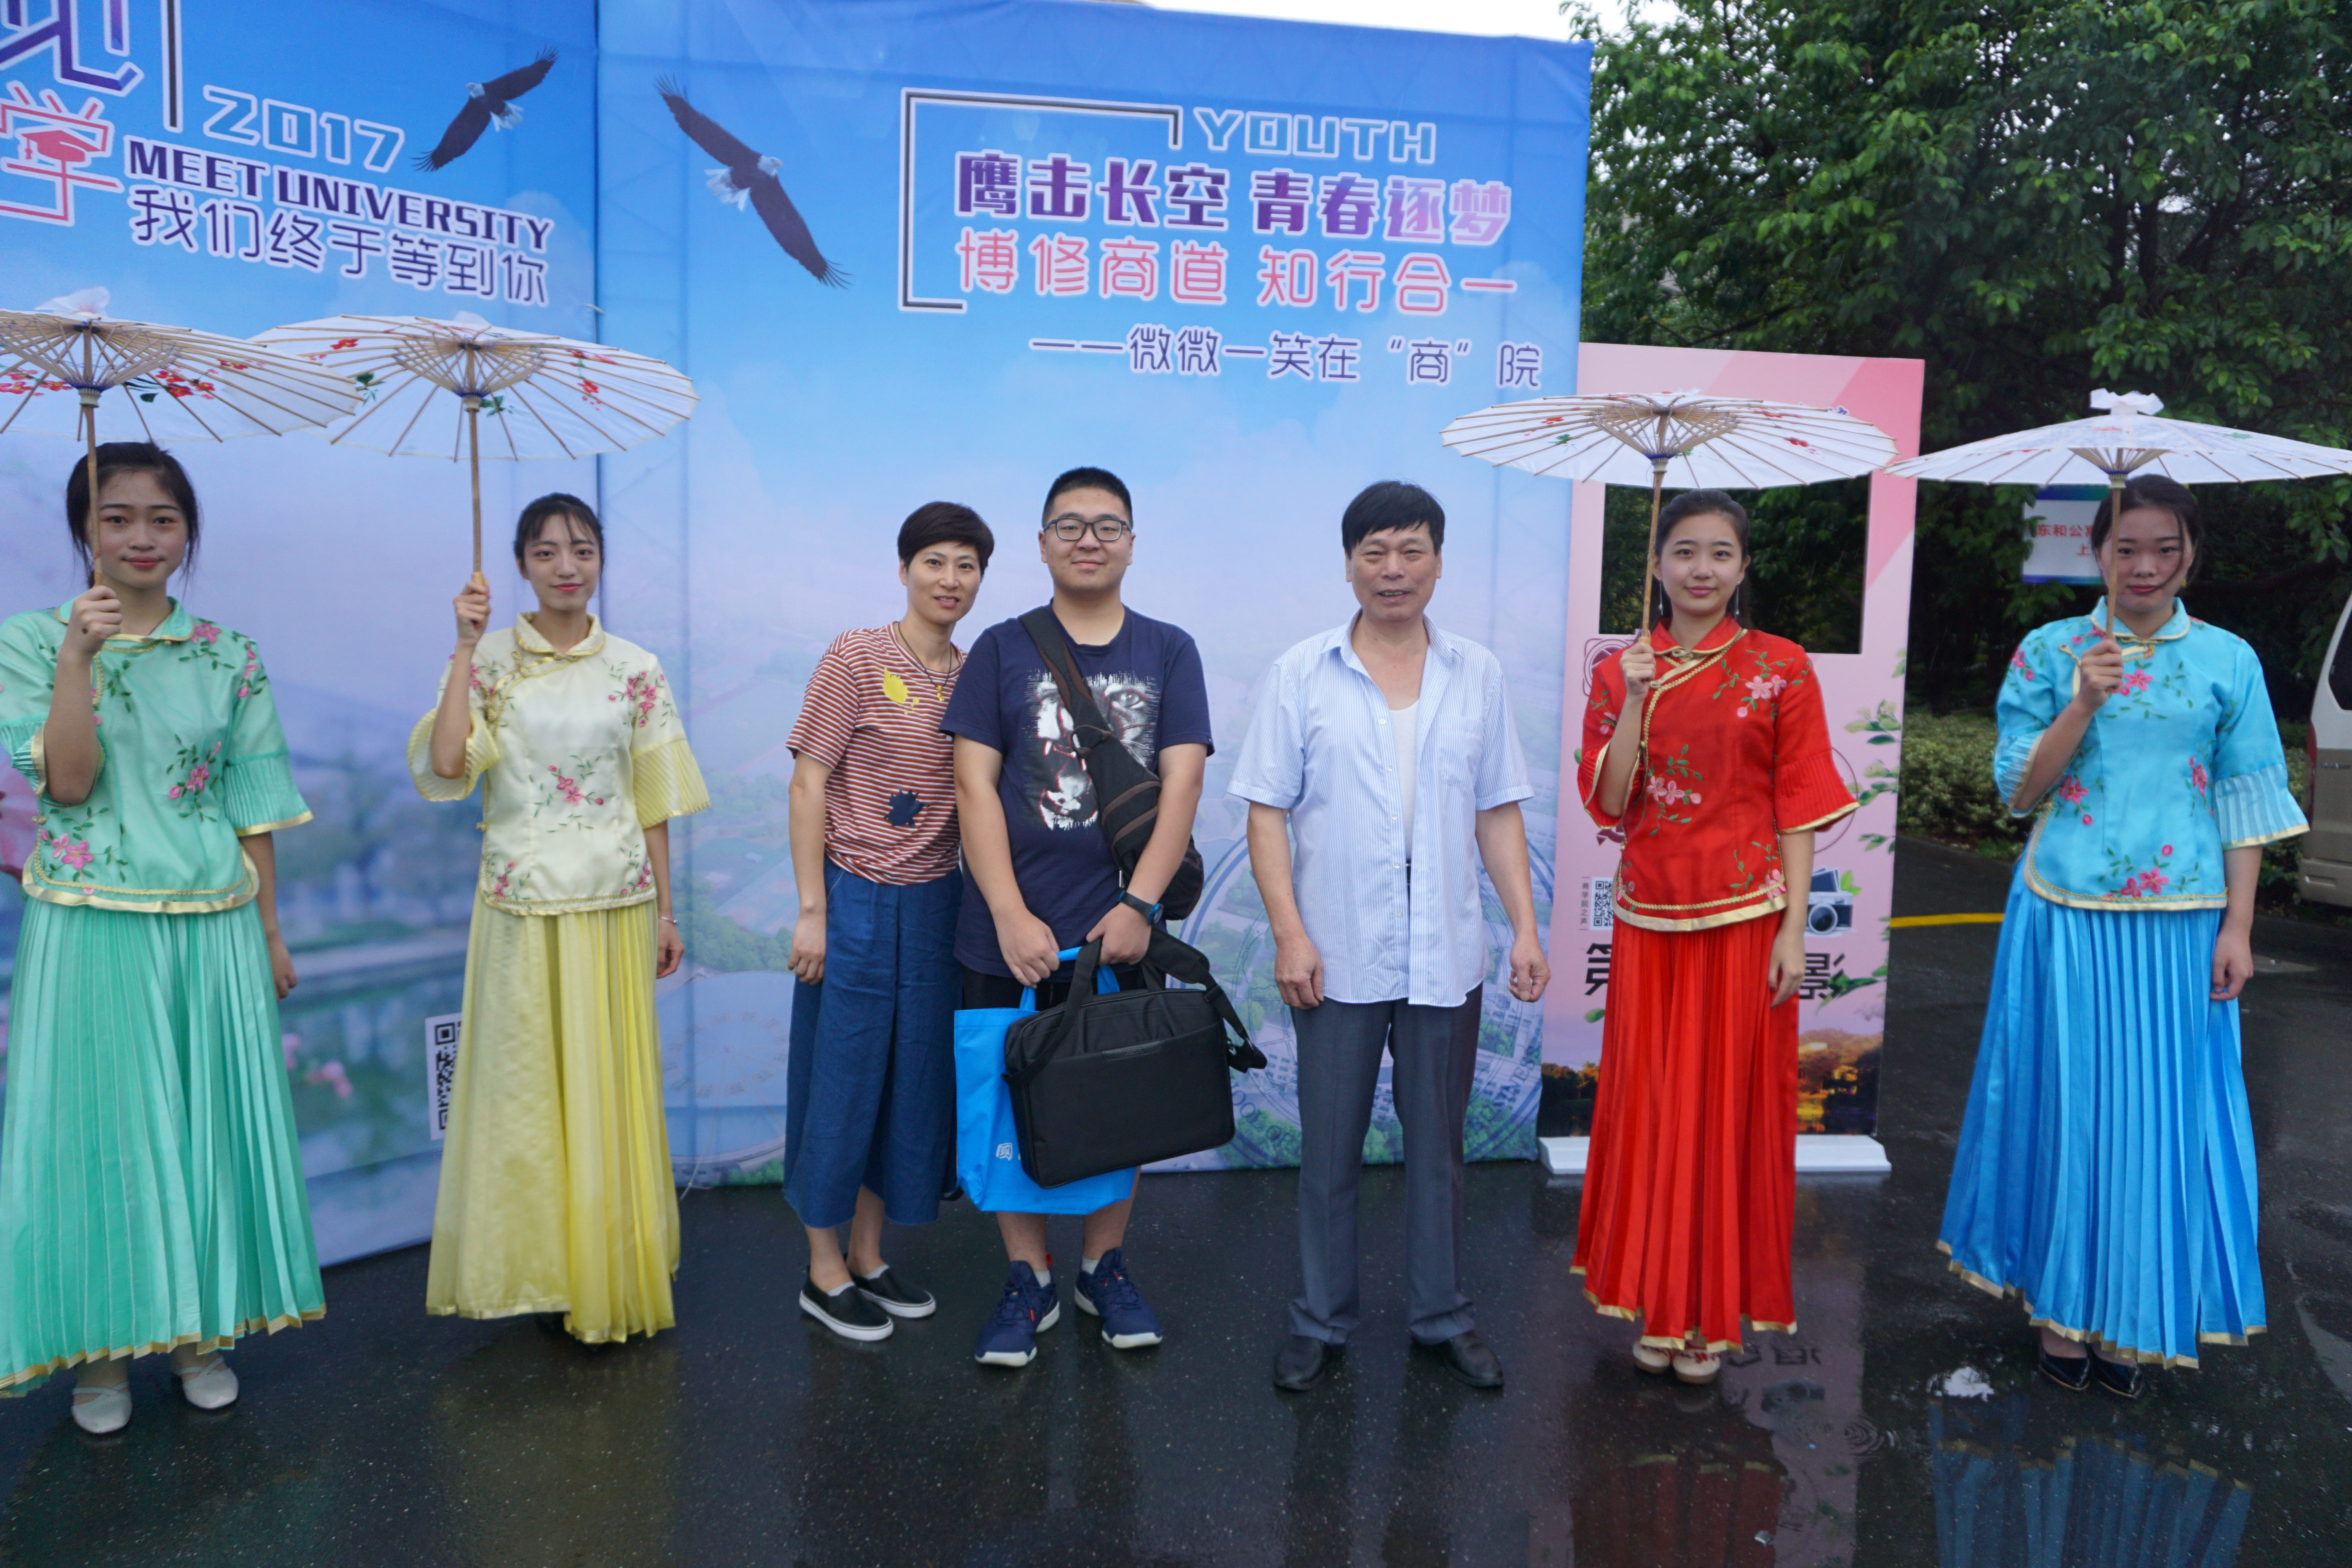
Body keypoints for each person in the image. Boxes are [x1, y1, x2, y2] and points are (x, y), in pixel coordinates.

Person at [1939, 476, 2302, 1396]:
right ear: (2096, 550)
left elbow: (2244, 801)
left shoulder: (2229, 659)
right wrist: (2081, 703)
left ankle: (2135, 1312)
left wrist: (2240, 926)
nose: (2145, 566)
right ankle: (2064, 1312)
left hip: (2184, 921)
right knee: (2072, 1107)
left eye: (2165, 549)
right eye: (2126, 547)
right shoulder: (2051, 650)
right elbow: (2018, 790)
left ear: (2191, 554)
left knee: (2161, 1119)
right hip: (2064, 910)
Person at [0, 443, 321, 1434]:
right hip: (88, 920)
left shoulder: (230, 653)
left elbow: (252, 803)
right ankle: (99, 1352)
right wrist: (77, 659)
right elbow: (67, 783)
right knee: (96, 1138)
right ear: (83, 530)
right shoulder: (29, 641)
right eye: (118, 517)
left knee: (203, 1132)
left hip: (213, 921)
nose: (142, 537)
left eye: (163, 518)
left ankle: (197, 1333)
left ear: (188, 532)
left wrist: (270, 930)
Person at [1230, 480, 1551, 1393]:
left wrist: (1525, 928)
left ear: (1439, 562)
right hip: (1335, 952)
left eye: (1412, 550)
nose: (1393, 569)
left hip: (1445, 953)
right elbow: (1266, 813)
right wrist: (1289, 934)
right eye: (1374, 551)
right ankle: (1319, 1319)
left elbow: (1497, 810)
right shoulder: (1302, 672)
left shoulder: (1477, 673)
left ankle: (1443, 1314)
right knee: (1328, 1150)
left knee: (1439, 1151)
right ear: (1349, 564)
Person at [412, 493, 709, 1344]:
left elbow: (652, 800)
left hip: (617, 902)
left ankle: (609, 1270)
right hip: (521, 904)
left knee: (610, 1093)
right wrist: (464, 647)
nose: (567, 566)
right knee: (526, 1094)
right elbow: (447, 765)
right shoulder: (488, 660)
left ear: (602, 559)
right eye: (546, 552)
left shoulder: (636, 667)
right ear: (520, 565)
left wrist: (667, 910)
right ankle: (543, 1272)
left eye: (582, 549)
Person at [1573, 489, 1856, 1384]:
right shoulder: (1621, 671)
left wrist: (1794, 927)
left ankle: (1706, 1316)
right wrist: (1634, 703)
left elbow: (1798, 803)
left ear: (1743, 567)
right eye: (1685, 551)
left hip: (1745, 922)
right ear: (1656, 565)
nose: (1702, 568)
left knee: (1727, 1118)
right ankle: (1656, 1302)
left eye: (1720, 553)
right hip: (1649, 920)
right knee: (1655, 1113)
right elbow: (1610, 801)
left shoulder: (1781, 666)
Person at [944, 465, 1212, 1367]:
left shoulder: (1169, 649)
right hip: (1007, 931)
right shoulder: (1001, 648)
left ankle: (1104, 1264)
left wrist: (1139, 905)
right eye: (1070, 524)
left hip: (1120, 929)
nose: (1088, 539)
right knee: (1008, 1099)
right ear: (1042, 542)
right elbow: (973, 784)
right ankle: (1029, 1275)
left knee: (1118, 1098)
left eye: (1107, 525)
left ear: (1132, 542)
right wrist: (1008, 911)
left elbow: (1183, 783)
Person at [781, 502, 994, 1343]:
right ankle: (822, 1268)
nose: (950, 579)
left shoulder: (976, 674)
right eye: (935, 561)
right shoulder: (857, 656)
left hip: (938, 903)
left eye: (967, 565)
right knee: (841, 1082)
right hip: (857, 896)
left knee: (909, 1086)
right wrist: (813, 910)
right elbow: (809, 782)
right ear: (904, 569)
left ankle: (868, 1255)